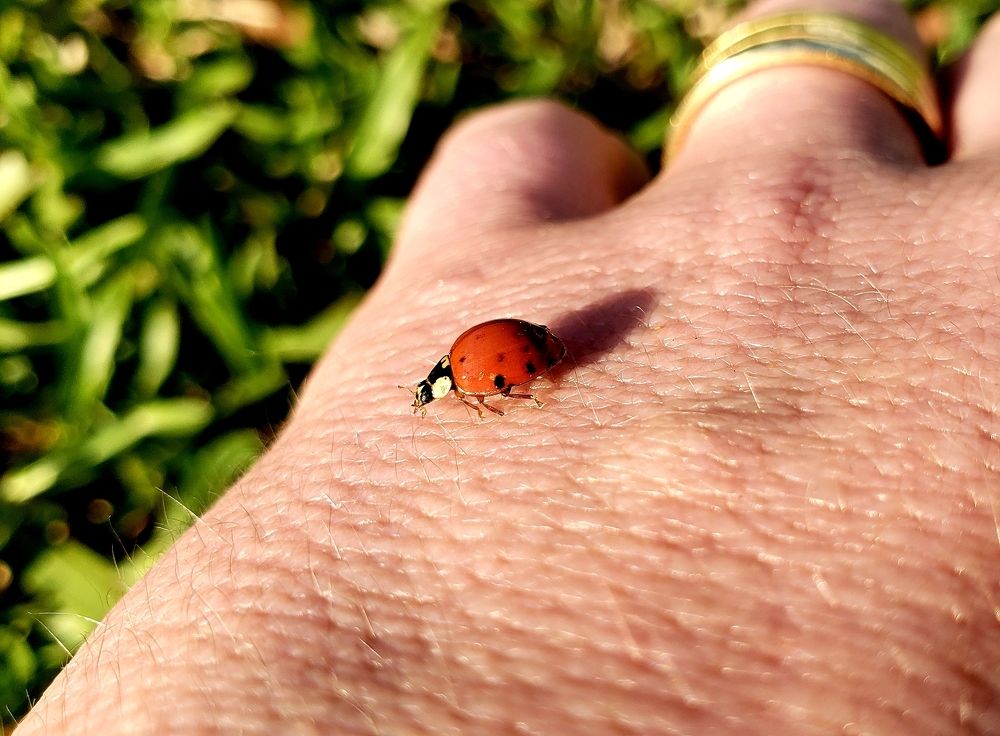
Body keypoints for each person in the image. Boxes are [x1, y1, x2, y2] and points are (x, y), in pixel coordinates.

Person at [15, 0, 1000, 732]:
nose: (444, 396)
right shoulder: (467, 365)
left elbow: (498, 371)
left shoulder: (474, 372)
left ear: (452, 385)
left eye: (444, 391)